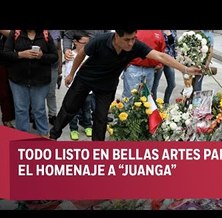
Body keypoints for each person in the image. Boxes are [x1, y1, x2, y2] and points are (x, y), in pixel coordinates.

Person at [49, 30, 202, 141]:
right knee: (69, 108)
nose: (131, 43)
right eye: (127, 39)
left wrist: (185, 68)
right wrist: (71, 74)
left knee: (101, 119)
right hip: (86, 79)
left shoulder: (135, 46)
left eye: (133, 38)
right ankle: (53, 136)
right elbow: (82, 53)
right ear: (117, 36)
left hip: (107, 85)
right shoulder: (101, 40)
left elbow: (160, 55)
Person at [4, 30, 58, 137]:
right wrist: (20, 54)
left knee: (39, 109)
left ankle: (43, 134)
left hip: (40, 80)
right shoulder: (15, 33)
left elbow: (55, 56)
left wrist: (41, 56)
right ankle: (22, 136)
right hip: (18, 79)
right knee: (20, 109)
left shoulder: (45, 34)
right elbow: (5, 54)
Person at [64, 32, 93, 140]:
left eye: (88, 43)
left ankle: (88, 125)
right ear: (75, 42)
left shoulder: (90, 55)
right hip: (74, 89)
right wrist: (68, 81)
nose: (86, 46)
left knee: (87, 109)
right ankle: (73, 129)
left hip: (88, 89)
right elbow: (68, 72)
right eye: (83, 43)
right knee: (73, 110)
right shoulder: (70, 55)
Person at [152, 30, 177, 105]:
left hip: (169, 60)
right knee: (154, 85)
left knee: (172, 84)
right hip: (159, 60)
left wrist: (174, 57)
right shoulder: (157, 31)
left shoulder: (173, 30)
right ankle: (154, 106)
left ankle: (166, 103)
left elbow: (174, 45)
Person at [0, 30, 15, 128]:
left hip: (9, 59)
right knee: (4, 91)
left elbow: (14, 35)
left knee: (7, 91)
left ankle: (8, 118)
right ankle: (7, 119)